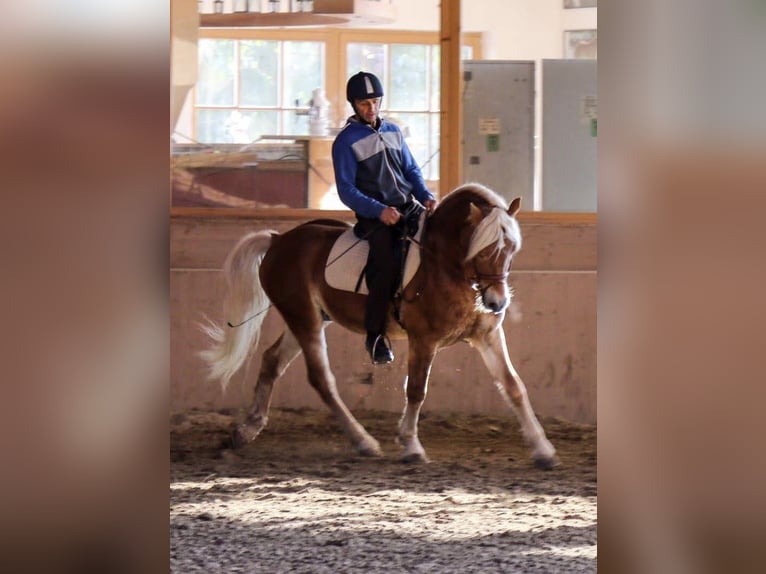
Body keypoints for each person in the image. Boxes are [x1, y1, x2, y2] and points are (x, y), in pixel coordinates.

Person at [332, 71, 438, 365]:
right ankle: (375, 335)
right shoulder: (345, 141)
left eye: (375, 102)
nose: (372, 108)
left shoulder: (393, 131)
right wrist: (378, 210)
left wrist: (426, 194)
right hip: (375, 217)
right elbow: (346, 189)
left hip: (407, 207)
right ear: (354, 105)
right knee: (387, 263)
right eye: (365, 103)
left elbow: (411, 171)